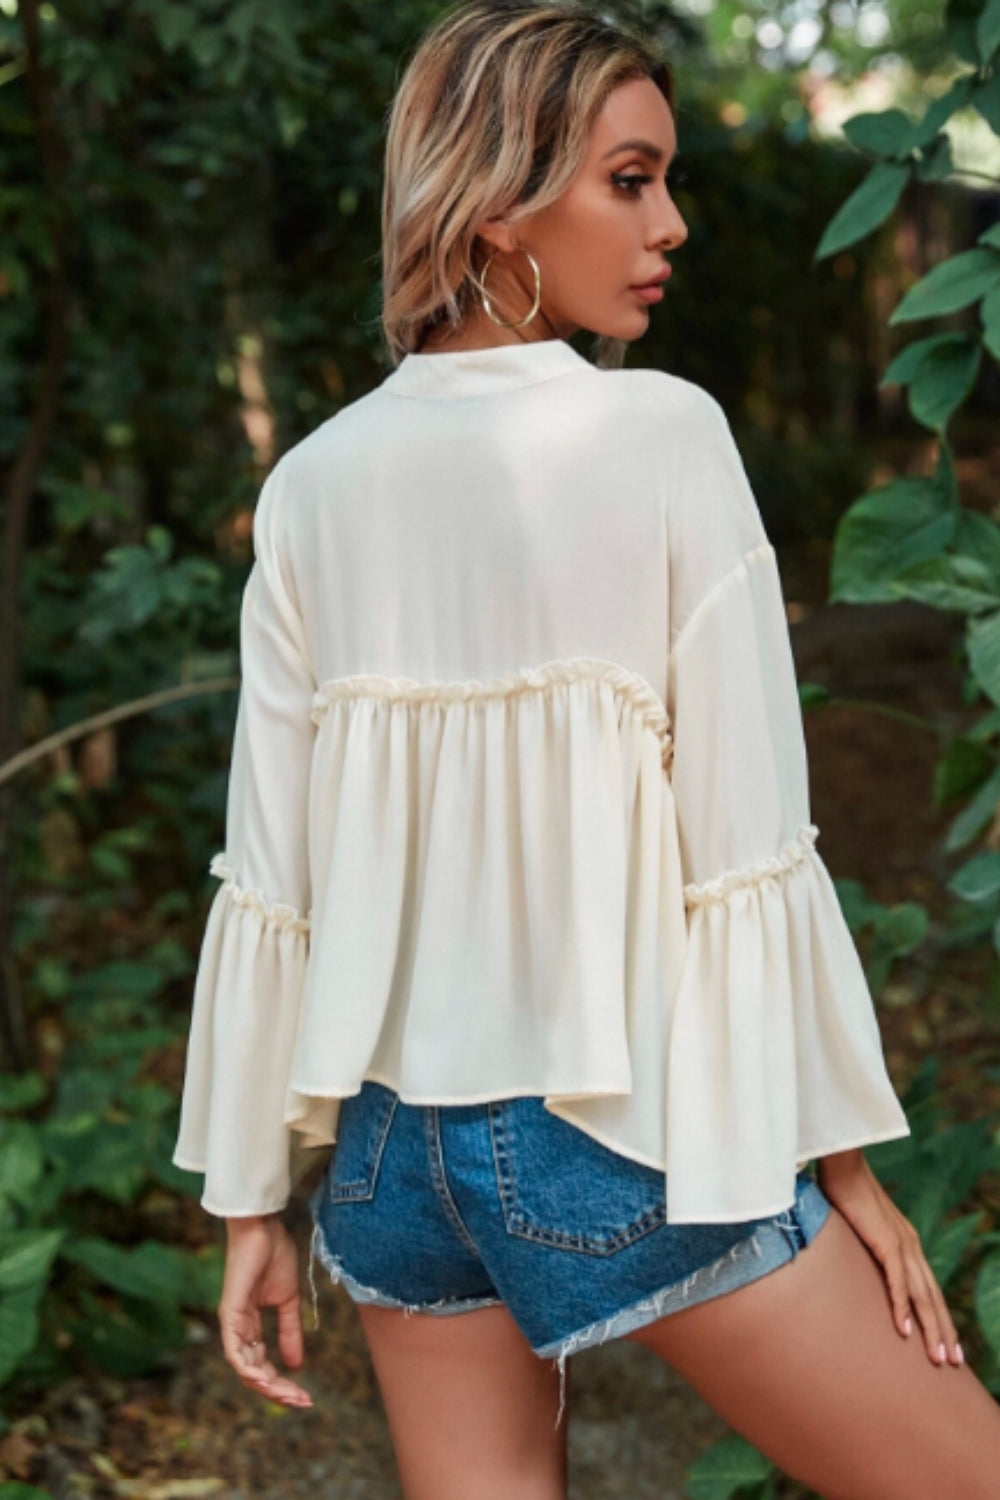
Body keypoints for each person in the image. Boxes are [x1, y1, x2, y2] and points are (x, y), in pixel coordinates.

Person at [169, 2, 1000, 1495]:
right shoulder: (662, 433)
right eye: (630, 180)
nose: (670, 223)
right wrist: (841, 1165)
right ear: (495, 203)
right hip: (609, 1125)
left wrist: (249, 1202)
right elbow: (747, 837)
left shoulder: (309, 485)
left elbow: (271, 877)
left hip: (385, 1163)